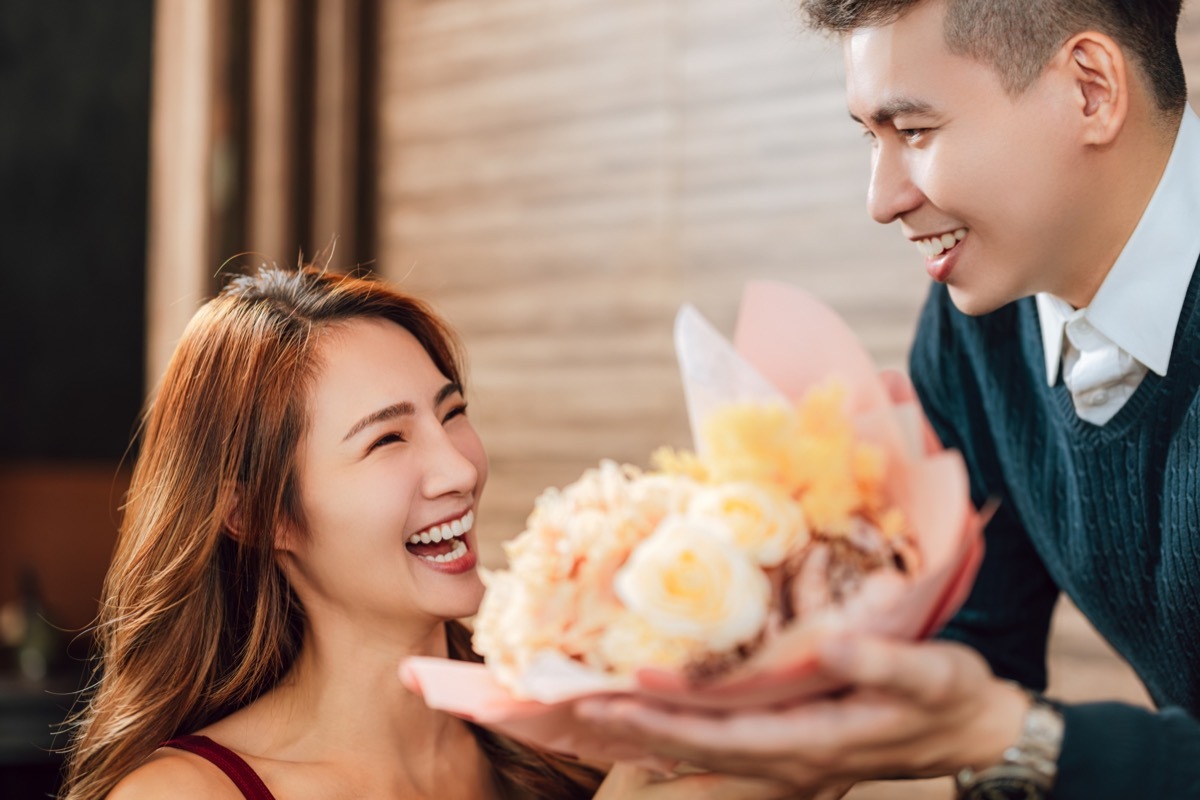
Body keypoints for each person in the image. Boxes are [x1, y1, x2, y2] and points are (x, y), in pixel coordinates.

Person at [574, 1, 1200, 798]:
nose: (881, 198)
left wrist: (1015, 740)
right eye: (871, 138)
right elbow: (970, 640)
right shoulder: (985, 323)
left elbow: (984, 716)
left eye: (916, 132)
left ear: (1089, 90)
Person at [59, 265, 800, 800]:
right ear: (261, 517)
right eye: (388, 441)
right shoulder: (190, 793)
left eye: (451, 414)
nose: (457, 468)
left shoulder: (572, 741)